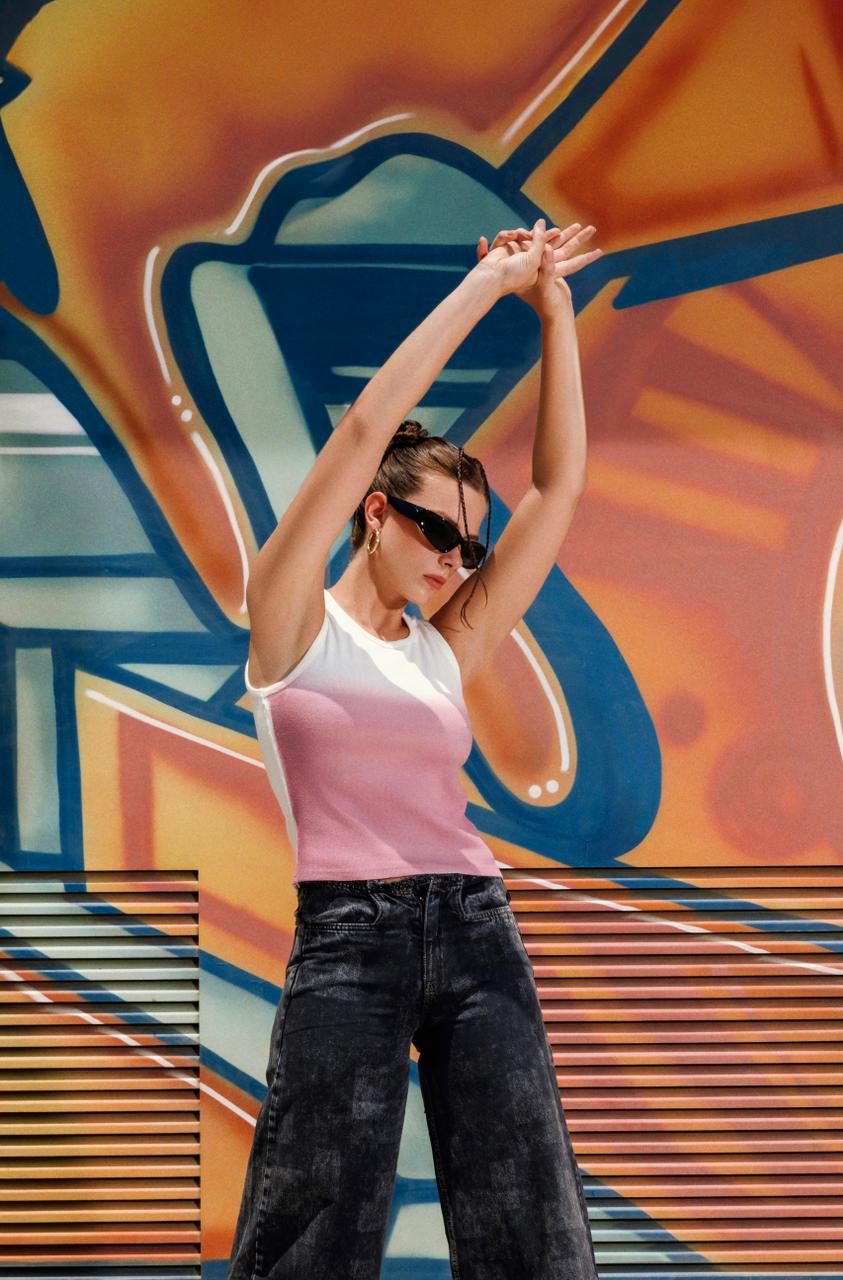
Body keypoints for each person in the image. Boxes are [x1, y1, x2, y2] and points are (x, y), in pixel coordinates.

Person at [227, 217, 603, 1279]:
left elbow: (558, 489)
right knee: (311, 1228)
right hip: (349, 935)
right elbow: (362, 430)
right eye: (434, 531)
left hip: (476, 924)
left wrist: (554, 312)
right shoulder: (291, 622)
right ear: (375, 514)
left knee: (533, 1228)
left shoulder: (444, 646)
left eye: (467, 545)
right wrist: (487, 283)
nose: (453, 560)